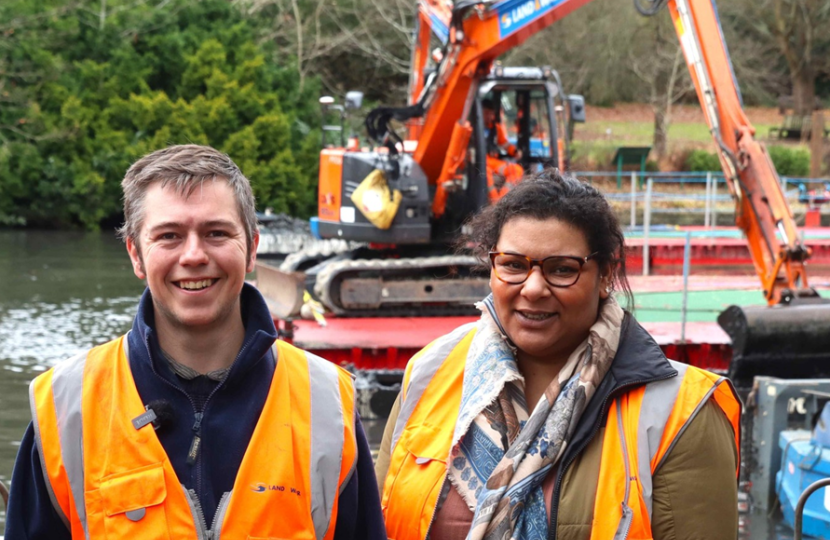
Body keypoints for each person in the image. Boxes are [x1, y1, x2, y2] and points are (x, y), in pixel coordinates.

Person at [6, 145, 386, 539]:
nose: (193, 255)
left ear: (252, 247)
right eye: (169, 236)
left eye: (216, 233)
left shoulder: (327, 404)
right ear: (136, 254)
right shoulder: (66, 407)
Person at [375, 169, 741, 540]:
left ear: (605, 277)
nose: (533, 288)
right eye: (514, 265)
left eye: (562, 269)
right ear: (492, 268)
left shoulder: (681, 414)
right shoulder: (430, 371)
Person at [481, 98, 524, 203]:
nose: (489, 117)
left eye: (491, 113)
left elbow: (505, 144)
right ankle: (494, 202)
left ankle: (501, 201)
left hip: (492, 162)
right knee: (484, 172)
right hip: (480, 162)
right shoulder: (472, 128)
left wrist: (515, 151)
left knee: (516, 170)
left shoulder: (496, 128)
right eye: (486, 113)